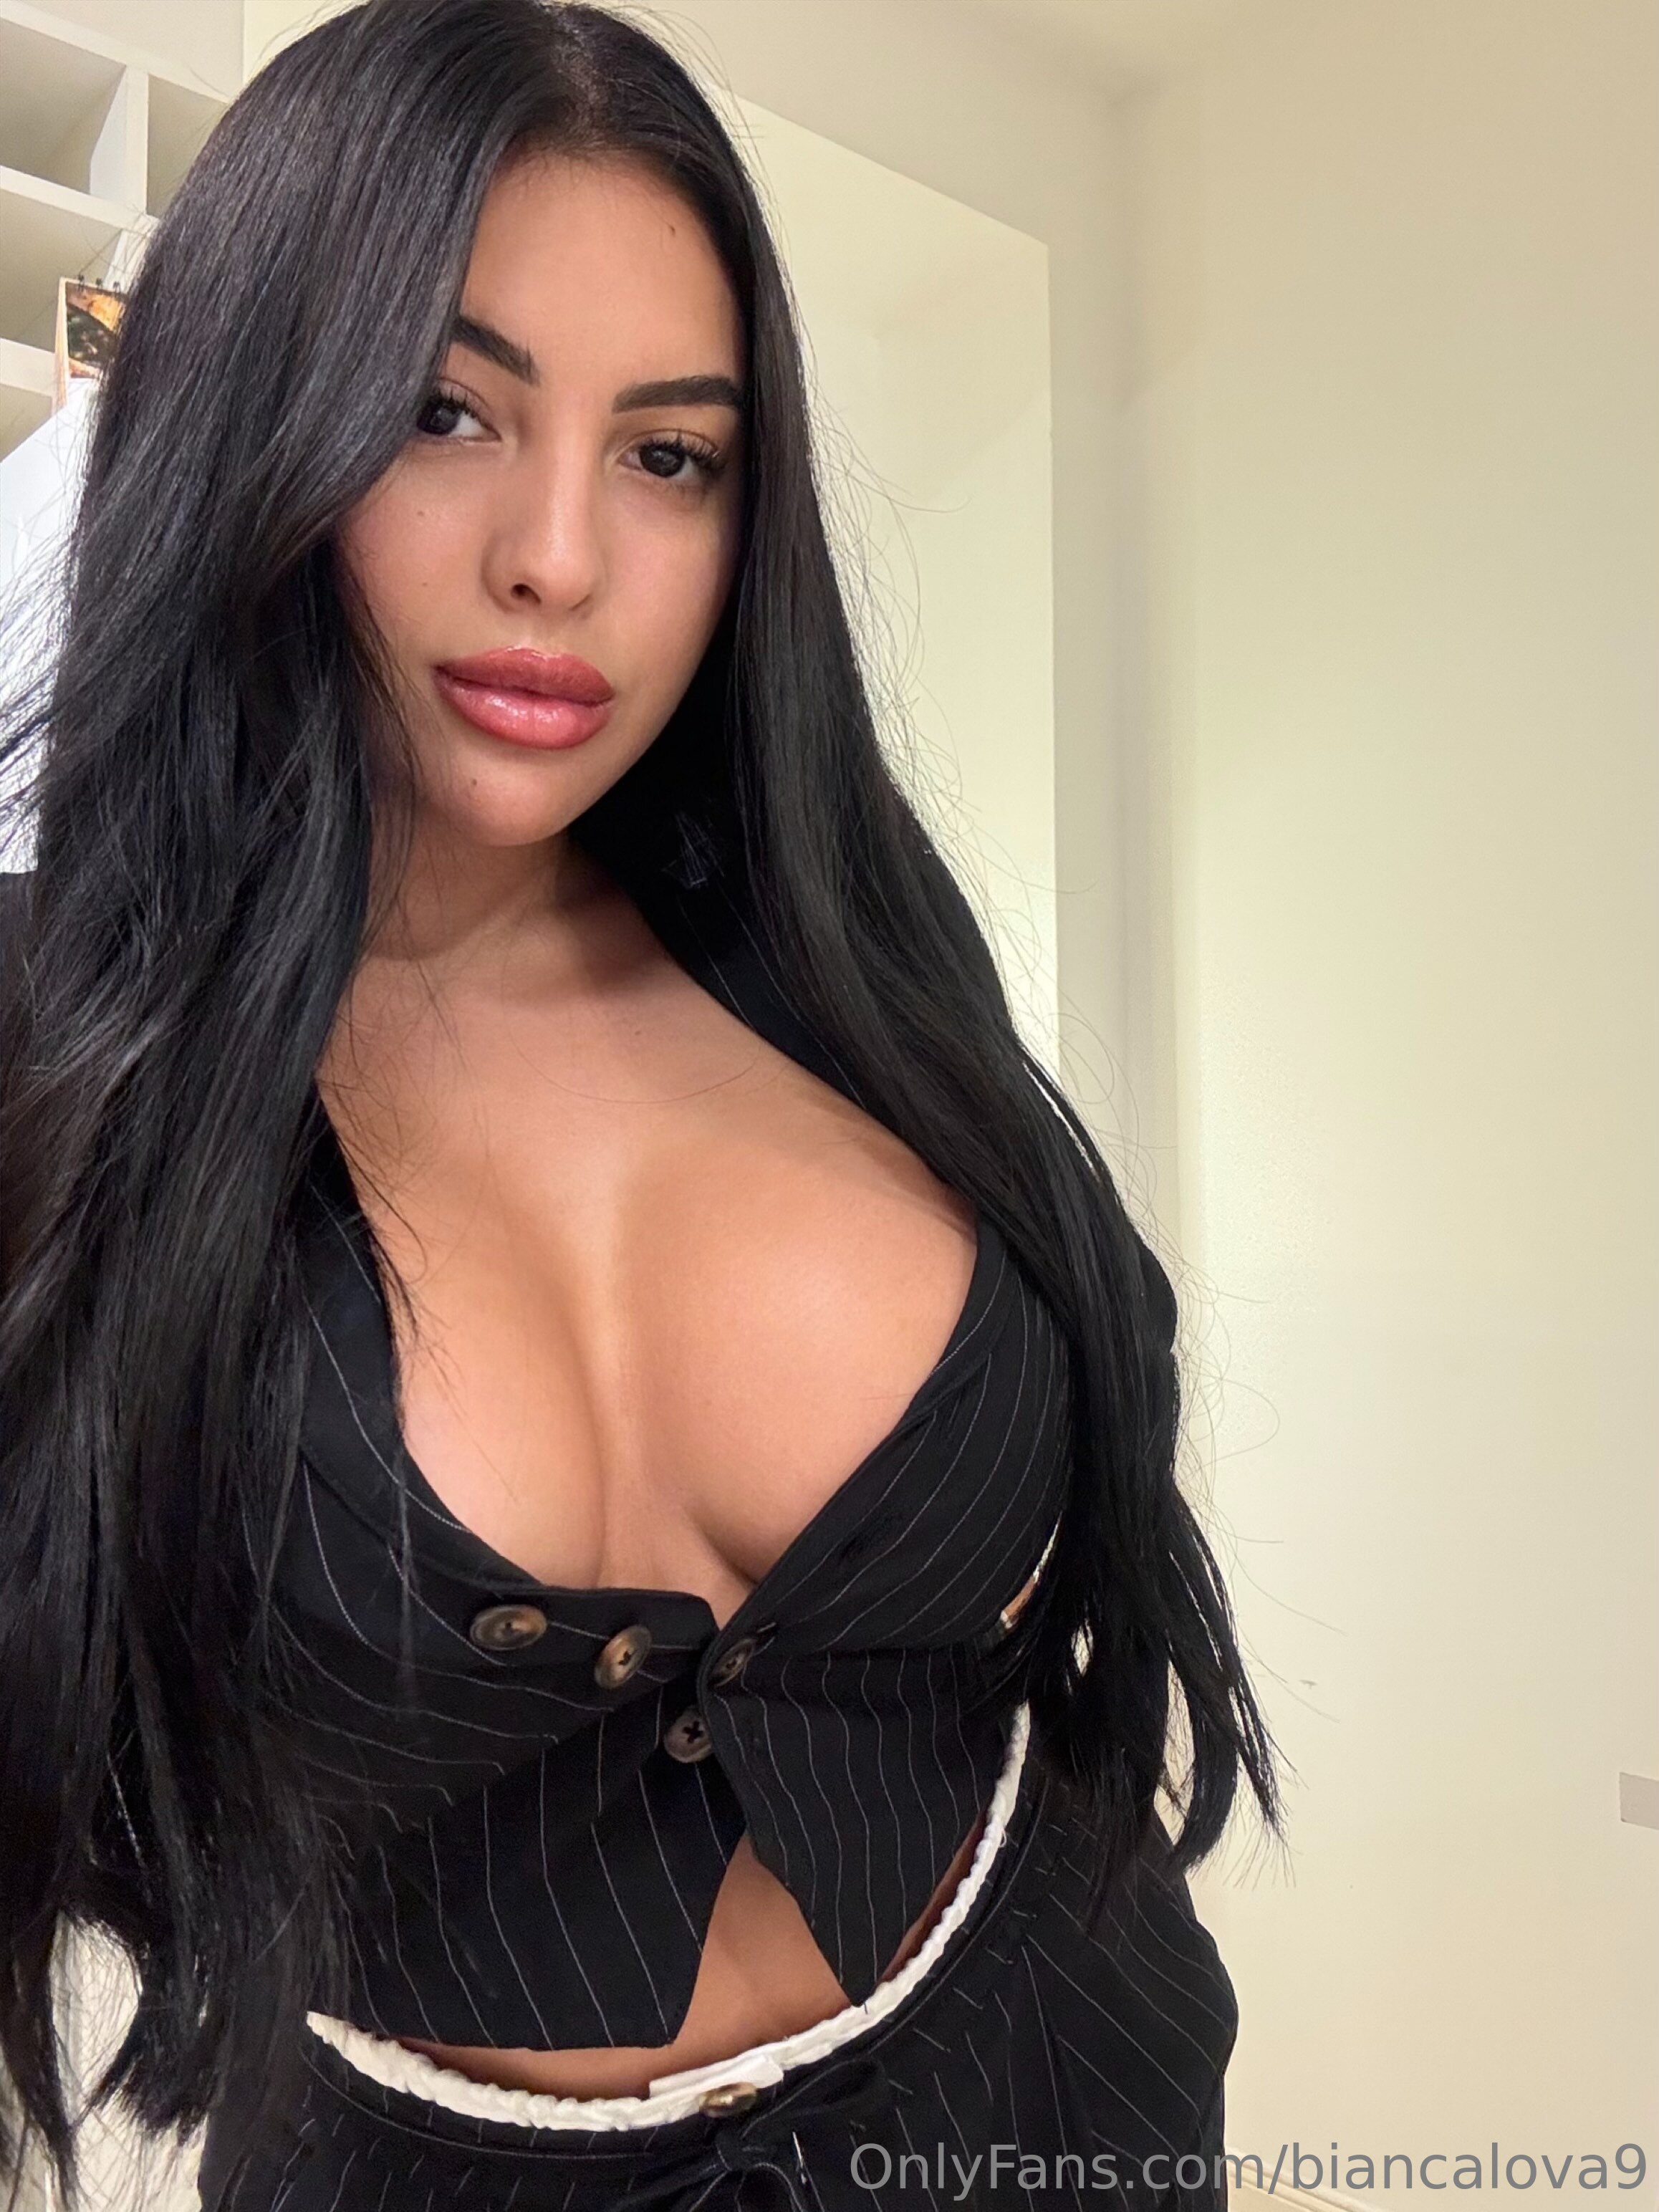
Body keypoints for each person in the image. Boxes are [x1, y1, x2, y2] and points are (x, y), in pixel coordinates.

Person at [0, 2, 1281, 2205]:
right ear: (246, 416)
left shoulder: (836, 946)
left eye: (669, 454)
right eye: (443, 411)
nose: (561, 559)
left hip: (1065, 2076)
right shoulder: (58, 1045)